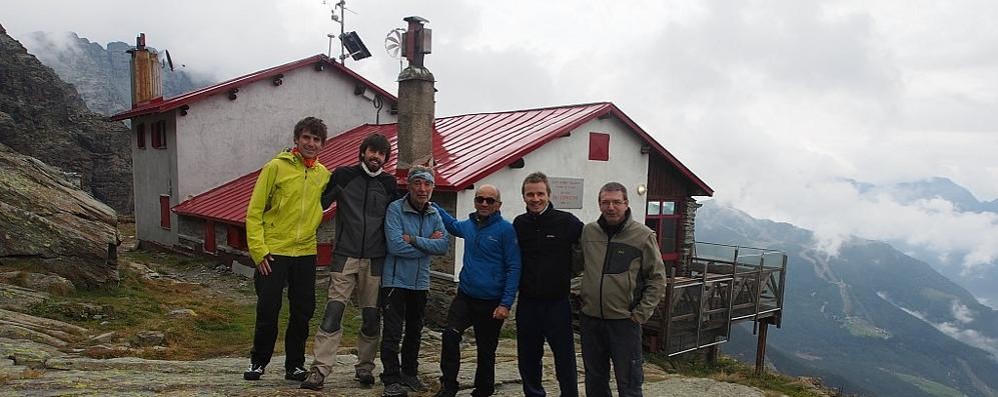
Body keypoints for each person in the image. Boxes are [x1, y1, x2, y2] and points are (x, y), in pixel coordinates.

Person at [301, 133, 398, 390]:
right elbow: (317, 202)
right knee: (333, 312)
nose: (375, 156)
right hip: (345, 255)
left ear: (385, 158)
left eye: (381, 153)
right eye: (372, 151)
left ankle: (365, 367)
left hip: (376, 258)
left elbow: (403, 212)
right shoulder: (344, 175)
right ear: (363, 152)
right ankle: (319, 370)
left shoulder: (389, 184)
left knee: (370, 316)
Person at [243, 116, 331, 382]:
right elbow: (254, 212)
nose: (311, 143)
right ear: (296, 139)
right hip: (274, 251)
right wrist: (259, 251)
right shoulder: (275, 167)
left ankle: (295, 365)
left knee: (302, 312)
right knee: (268, 309)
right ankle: (258, 362)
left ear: (322, 144)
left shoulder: (323, 175)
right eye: (306, 137)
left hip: (305, 252)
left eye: (316, 139)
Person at [579, 182, 667, 397]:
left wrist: (640, 314)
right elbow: (578, 266)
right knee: (595, 379)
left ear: (626, 204)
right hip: (591, 320)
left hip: (624, 323)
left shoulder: (643, 235)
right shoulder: (589, 232)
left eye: (616, 202)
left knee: (629, 381)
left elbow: (657, 279)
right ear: (599, 204)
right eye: (605, 202)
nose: (611, 207)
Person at [432, 184, 521, 397]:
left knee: (486, 350)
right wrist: (433, 205)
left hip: (492, 301)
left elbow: (514, 266)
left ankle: (483, 390)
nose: (484, 203)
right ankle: (449, 386)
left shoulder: (506, 230)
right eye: (480, 199)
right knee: (450, 335)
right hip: (466, 295)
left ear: (498, 205)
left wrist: (506, 303)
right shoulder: (470, 225)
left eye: (490, 200)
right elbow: (453, 225)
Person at [379, 166, 449, 397]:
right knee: (392, 331)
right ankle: (391, 378)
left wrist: (415, 240)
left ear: (432, 188)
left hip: (420, 282)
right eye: (417, 183)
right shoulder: (395, 209)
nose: (422, 189)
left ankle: (410, 373)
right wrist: (427, 245)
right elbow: (395, 246)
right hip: (396, 281)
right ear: (409, 186)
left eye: (427, 184)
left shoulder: (434, 213)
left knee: (415, 331)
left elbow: (443, 246)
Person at [513, 172, 584, 397]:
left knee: (564, 357)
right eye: (530, 194)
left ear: (549, 195)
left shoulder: (567, 222)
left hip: (558, 302)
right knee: (528, 357)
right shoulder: (519, 223)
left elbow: (592, 243)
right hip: (528, 302)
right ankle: (534, 394)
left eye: (540, 194)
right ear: (524, 197)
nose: (536, 199)